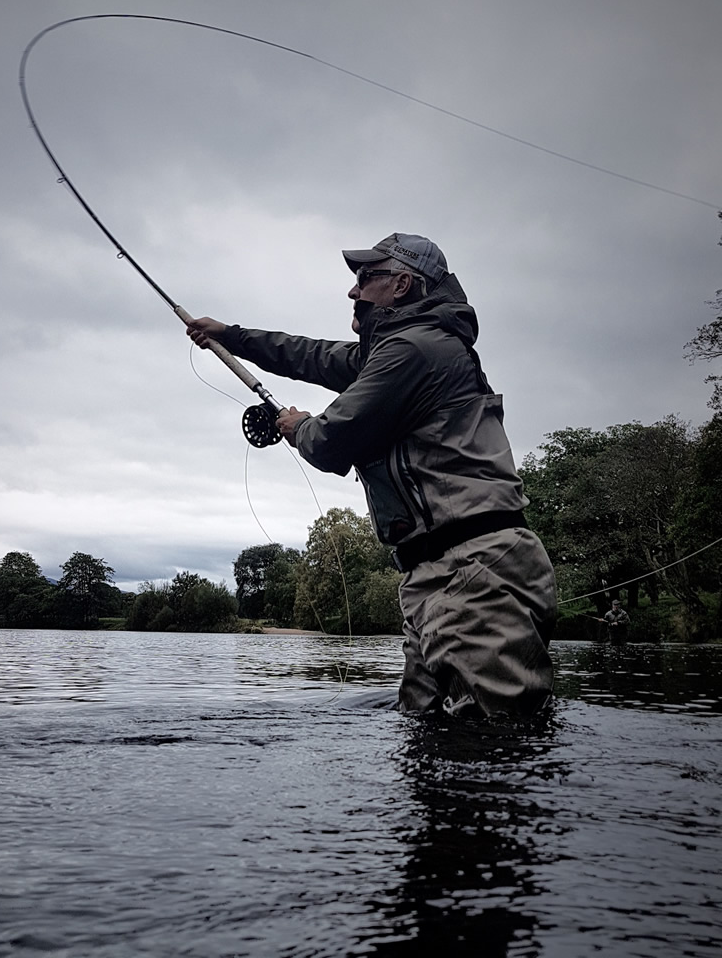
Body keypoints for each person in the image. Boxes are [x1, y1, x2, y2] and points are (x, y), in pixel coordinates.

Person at [187, 232, 557, 719]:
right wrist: (231, 337)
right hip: (439, 571)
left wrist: (299, 426)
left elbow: (331, 440)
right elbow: (310, 355)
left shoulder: (416, 350)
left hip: (473, 570)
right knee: (428, 729)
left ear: (402, 284)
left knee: (492, 743)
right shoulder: (397, 351)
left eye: (366, 278)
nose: (353, 290)